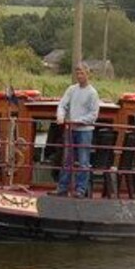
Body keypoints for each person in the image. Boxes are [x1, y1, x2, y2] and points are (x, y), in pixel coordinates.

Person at [55, 64, 100, 197]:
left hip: (85, 131)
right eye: (78, 73)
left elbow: (93, 115)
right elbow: (62, 104)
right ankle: (62, 188)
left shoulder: (92, 93)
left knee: (83, 160)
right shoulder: (71, 90)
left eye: (82, 73)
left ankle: (81, 190)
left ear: (88, 74)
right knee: (67, 159)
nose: (80, 76)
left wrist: (79, 120)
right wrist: (60, 116)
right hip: (71, 129)